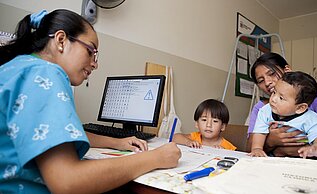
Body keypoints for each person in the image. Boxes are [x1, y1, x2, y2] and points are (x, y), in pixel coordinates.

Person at [0, 9, 181, 193]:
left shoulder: (19, 67)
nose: (95, 63)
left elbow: (55, 135)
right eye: (90, 51)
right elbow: (68, 182)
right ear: (61, 40)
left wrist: (117, 142)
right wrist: (156, 158)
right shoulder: (46, 73)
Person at [246, 52, 317, 161]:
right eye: (261, 80)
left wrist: (289, 150)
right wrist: (271, 141)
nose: (268, 82)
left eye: (272, 73)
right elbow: (250, 146)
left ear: (287, 70)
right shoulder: (263, 109)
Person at [249, 71, 317, 158]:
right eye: (274, 92)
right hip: (275, 158)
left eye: (281, 98)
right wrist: (257, 148)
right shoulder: (265, 111)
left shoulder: (310, 119)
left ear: (300, 108)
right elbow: (259, 132)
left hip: (303, 159)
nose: (273, 99)